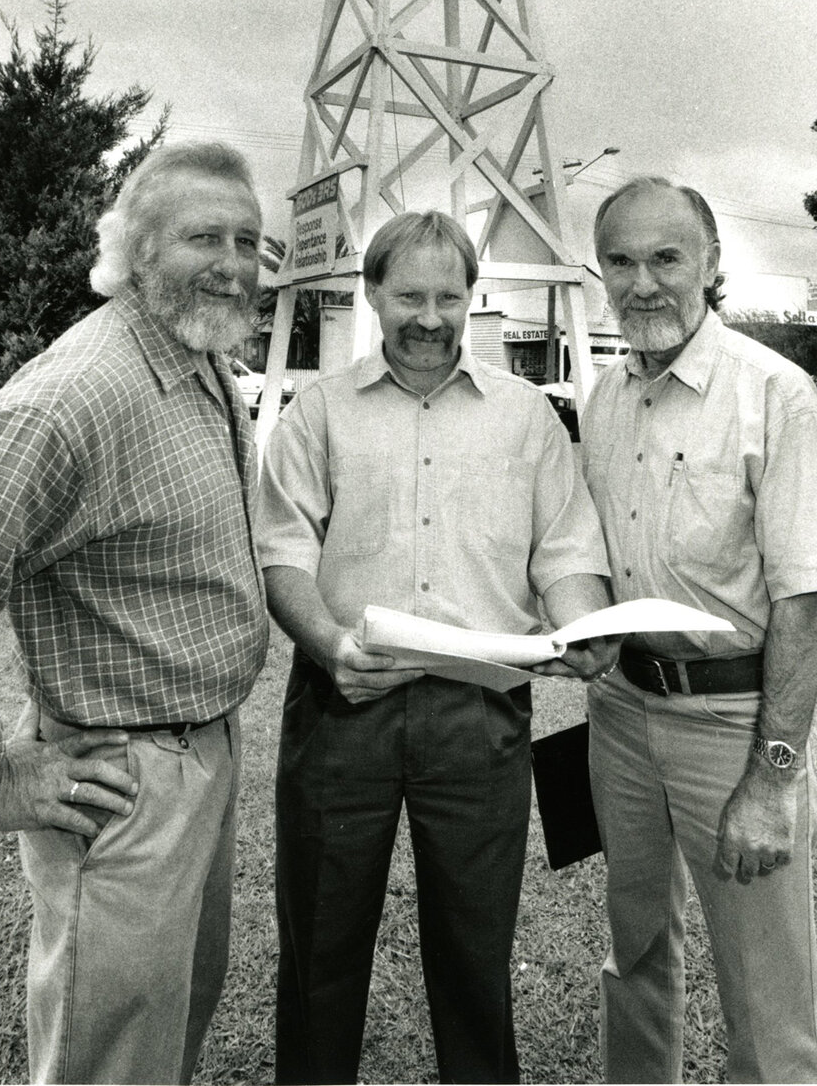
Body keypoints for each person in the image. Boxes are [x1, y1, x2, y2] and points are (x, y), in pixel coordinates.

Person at [0, 140, 269, 1085]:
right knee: (110, 1059)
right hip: (124, 777)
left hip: (203, 754)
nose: (232, 261)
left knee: (162, 1030)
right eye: (202, 236)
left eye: (249, 241)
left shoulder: (196, 359)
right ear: (136, 252)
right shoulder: (76, 395)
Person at [256, 209, 617, 1086]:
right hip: (346, 701)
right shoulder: (319, 412)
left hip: (479, 714)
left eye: (447, 296)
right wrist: (330, 642)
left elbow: (565, 549)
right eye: (408, 294)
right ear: (372, 292)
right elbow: (282, 553)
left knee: (474, 951)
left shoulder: (527, 417)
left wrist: (581, 626)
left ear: (471, 297)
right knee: (323, 945)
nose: (428, 315)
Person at [581, 175, 817, 1084]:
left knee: (768, 1000)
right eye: (620, 261)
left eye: (666, 257)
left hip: (733, 725)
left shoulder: (772, 393)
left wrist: (773, 777)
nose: (644, 282)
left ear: (711, 264)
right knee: (635, 955)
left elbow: (806, 597)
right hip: (622, 715)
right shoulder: (607, 399)